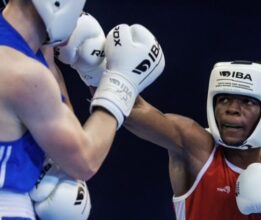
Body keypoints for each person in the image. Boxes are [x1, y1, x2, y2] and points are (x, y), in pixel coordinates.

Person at [0, 0, 164, 219]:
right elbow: (85, 161)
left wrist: (89, 71)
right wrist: (121, 81)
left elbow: (49, 79)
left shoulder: (22, 56)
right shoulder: (24, 74)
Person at [124, 61, 261, 219]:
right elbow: (130, 110)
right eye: (224, 99)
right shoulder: (195, 145)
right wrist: (98, 69)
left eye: (247, 101)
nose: (232, 109)